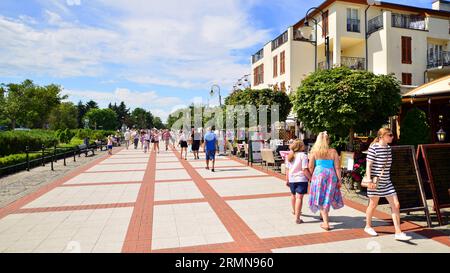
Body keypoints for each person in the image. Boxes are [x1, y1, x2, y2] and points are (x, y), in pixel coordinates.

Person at [364, 128, 412, 241]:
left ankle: (398, 232)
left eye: (392, 135)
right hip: (375, 183)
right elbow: (368, 165)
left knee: (396, 204)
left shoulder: (389, 149)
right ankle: (368, 226)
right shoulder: (373, 148)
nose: (392, 137)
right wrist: (369, 181)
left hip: (387, 182)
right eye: (389, 135)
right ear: (381, 137)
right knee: (373, 205)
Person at [308, 131, 344, 231]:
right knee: (327, 196)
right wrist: (339, 179)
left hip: (319, 175)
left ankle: (326, 223)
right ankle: (323, 215)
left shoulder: (314, 151)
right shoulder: (333, 151)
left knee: (320, 195)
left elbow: (310, 166)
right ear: (327, 140)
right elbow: (337, 167)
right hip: (331, 175)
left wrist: (310, 177)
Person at [285, 139, 311, 224]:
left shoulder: (289, 155)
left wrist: (287, 179)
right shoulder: (303, 156)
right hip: (301, 179)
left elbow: (287, 169)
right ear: (300, 146)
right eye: (303, 145)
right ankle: (297, 218)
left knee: (293, 195)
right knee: (299, 197)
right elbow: (304, 169)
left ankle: (294, 211)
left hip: (292, 179)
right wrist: (311, 178)